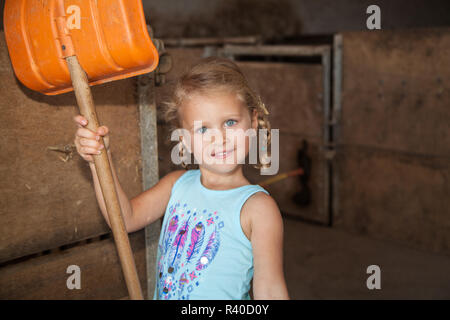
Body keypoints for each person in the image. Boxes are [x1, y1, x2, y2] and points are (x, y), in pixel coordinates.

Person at [73, 57, 289, 300]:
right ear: (185, 139)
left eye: (230, 122)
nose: (219, 138)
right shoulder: (177, 184)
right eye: (203, 129)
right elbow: (123, 219)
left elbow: (270, 291)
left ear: (253, 121)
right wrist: (99, 160)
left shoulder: (258, 208)